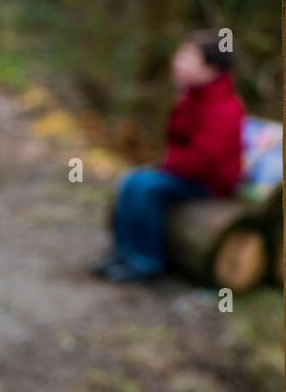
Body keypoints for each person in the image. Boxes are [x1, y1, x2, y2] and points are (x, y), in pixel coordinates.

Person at [94, 31, 244, 282]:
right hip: (185, 173)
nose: (177, 61)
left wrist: (167, 163)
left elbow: (205, 158)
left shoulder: (224, 107)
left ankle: (147, 260)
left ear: (210, 69)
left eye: (187, 57)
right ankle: (123, 253)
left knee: (145, 187)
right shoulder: (194, 95)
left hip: (211, 183)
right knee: (132, 180)